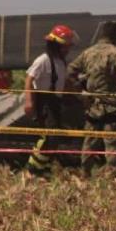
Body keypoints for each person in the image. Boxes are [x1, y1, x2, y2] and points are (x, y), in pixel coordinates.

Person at [68, 21, 116, 173]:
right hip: (112, 105)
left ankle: (85, 175)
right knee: (111, 144)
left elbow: (70, 71)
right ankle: (113, 176)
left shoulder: (88, 52)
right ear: (115, 35)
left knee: (89, 143)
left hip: (92, 106)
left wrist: (80, 91)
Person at [25, 24, 77, 176]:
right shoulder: (43, 60)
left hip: (55, 102)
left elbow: (64, 83)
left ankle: (44, 169)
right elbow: (29, 78)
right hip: (44, 101)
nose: (67, 50)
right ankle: (32, 169)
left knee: (54, 138)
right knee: (48, 137)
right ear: (56, 45)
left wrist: (78, 94)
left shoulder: (61, 63)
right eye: (65, 46)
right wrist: (28, 101)